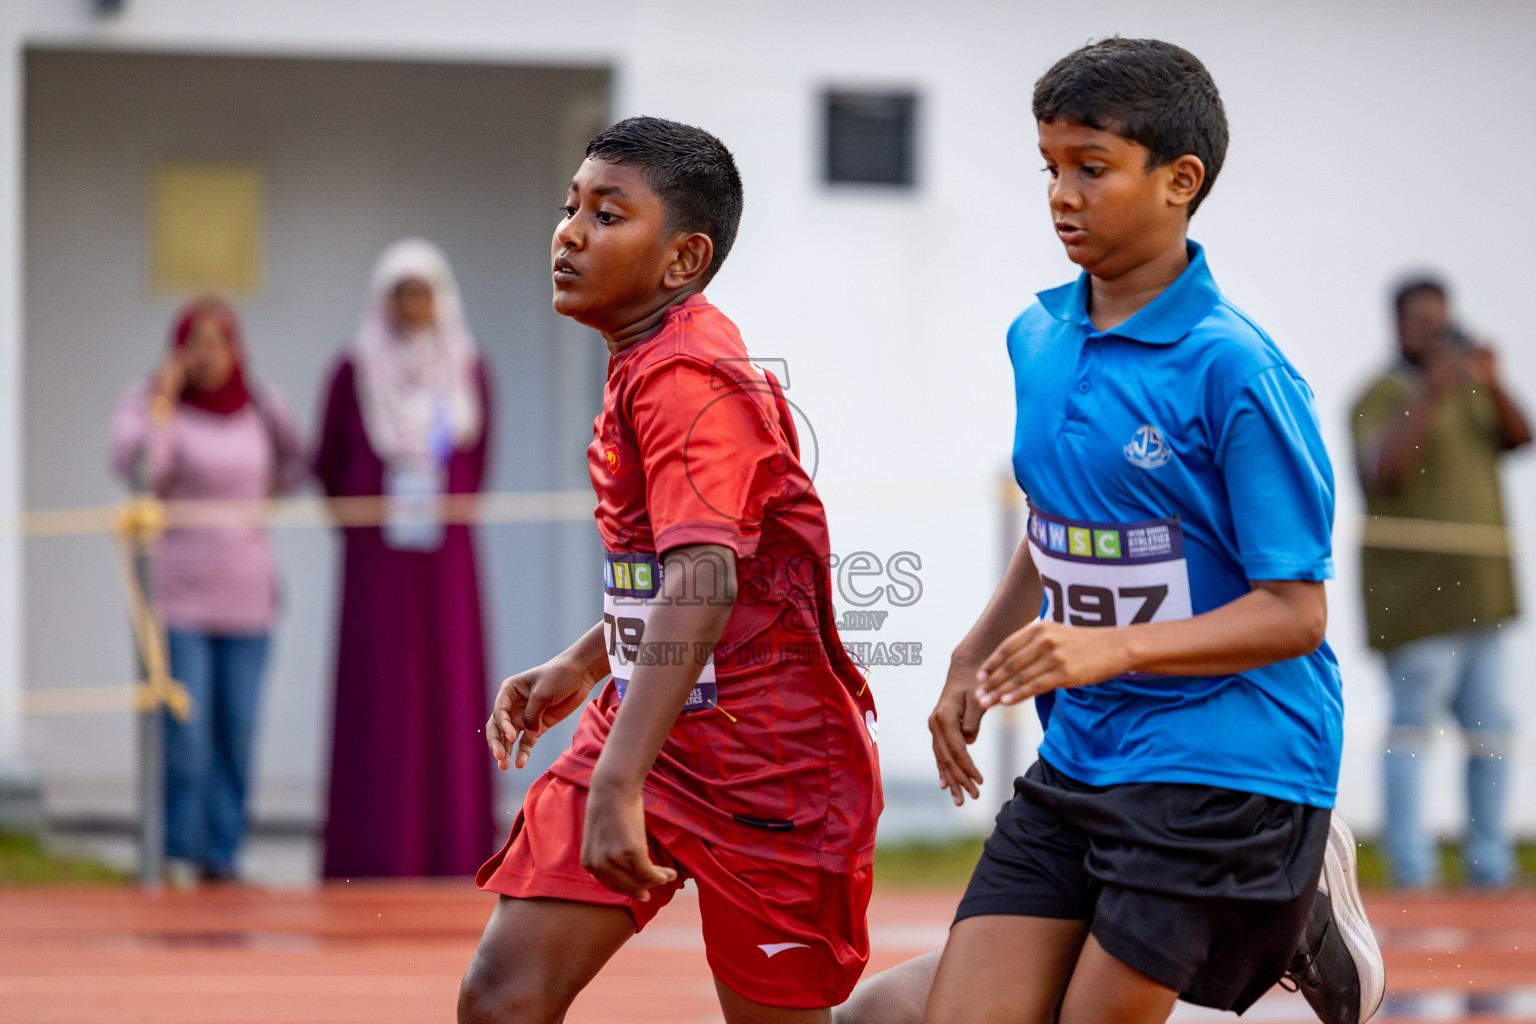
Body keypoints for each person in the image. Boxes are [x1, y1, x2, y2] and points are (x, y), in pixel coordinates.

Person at [838, 39, 1383, 1024]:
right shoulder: (1037, 338)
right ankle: (1284, 920)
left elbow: (1297, 613)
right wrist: (972, 654)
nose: (1062, 194)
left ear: (1180, 181)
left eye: (1092, 167)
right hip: (1084, 755)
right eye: (1049, 167)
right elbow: (1060, 523)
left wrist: (1110, 645)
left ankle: (1294, 901)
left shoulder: (1239, 374)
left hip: (1225, 758)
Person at [457, 117, 881, 1024]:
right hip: (653, 723)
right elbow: (683, 563)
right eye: (569, 207)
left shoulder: (688, 376)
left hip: (769, 757)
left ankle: (981, 987)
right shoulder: (643, 358)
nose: (568, 233)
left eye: (607, 216)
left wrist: (616, 778)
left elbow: (705, 579)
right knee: (502, 997)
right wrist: (584, 663)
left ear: (683, 259)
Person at [109, 296, 309, 883]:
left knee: (237, 729)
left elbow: (297, 462)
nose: (206, 356)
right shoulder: (148, 404)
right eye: (194, 345)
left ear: (234, 348)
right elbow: (142, 466)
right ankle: (170, 850)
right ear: (176, 350)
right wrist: (165, 401)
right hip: (176, 598)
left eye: (217, 344)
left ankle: (220, 855)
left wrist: (260, 500)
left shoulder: (263, 405)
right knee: (184, 732)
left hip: (248, 596)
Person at [315, 238, 496, 877]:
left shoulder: (466, 371)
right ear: (384, 300)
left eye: (423, 292)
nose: (414, 305)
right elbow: (329, 464)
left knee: (447, 694)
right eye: (402, 293)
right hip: (377, 568)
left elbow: (478, 465)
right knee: (380, 701)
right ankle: (370, 855)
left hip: (445, 569)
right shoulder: (354, 370)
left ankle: (453, 851)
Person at [1351, 276, 1531, 888]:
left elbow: (1520, 438)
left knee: (1492, 736)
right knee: (1410, 733)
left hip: (1483, 599)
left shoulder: (1472, 387)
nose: (1434, 332)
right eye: (1421, 321)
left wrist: (1493, 377)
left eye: (1442, 320)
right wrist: (1429, 393)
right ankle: (1413, 871)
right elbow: (1382, 470)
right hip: (1416, 607)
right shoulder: (1379, 395)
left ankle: (1490, 866)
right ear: (1397, 324)